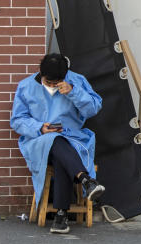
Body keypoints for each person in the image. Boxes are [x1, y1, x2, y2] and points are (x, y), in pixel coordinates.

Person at [11, 53, 105, 234]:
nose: (53, 86)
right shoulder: (26, 86)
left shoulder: (77, 81)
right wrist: (40, 127)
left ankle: (61, 218)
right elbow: (17, 120)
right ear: (41, 73)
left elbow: (93, 108)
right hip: (38, 141)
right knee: (54, 139)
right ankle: (85, 181)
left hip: (73, 139)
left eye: (57, 83)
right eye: (49, 82)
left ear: (66, 75)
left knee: (61, 149)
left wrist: (74, 92)